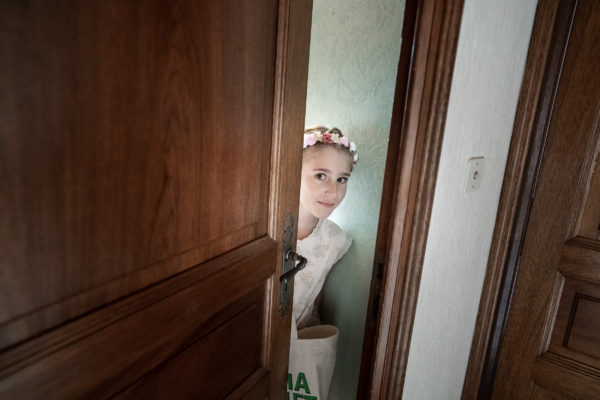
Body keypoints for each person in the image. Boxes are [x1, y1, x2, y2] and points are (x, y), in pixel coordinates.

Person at [293, 126, 358, 330]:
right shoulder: (264, 231)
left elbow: (313, 300)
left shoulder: (335, 239)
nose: (333, 192)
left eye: (342, 179)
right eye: (320, 176)